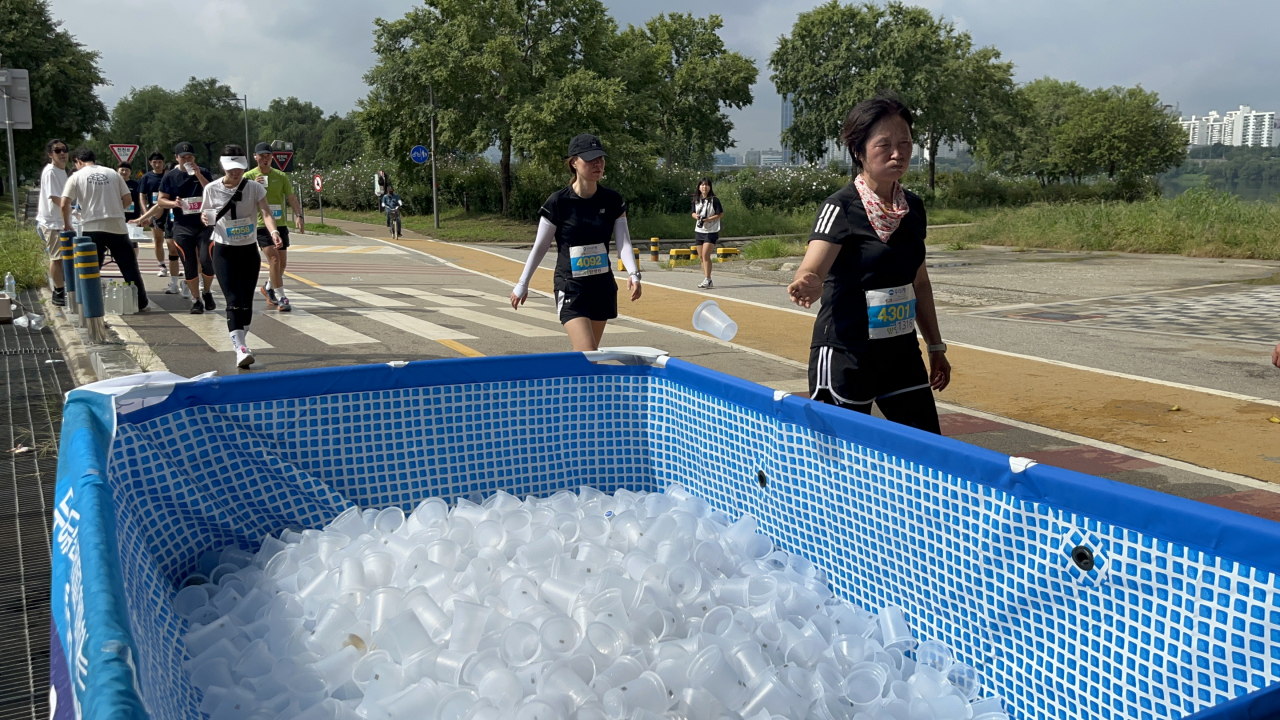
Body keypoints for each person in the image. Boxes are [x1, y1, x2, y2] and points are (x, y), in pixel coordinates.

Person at [787, 93, 950, 434]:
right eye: (884, 145)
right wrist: (809, 281)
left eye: (905, 142)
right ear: (859, 151)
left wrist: (935, 345)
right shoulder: (841, 207)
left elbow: (918, 282)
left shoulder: (913, 209)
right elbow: (812, 265)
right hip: (847, 353)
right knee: (839, 461)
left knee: (927, 448)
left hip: (900, 352)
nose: (897, 153)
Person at [510, 133, 641, 351]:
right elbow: (540, 248)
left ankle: (571, 384)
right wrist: (523, 284)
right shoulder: (558, 202)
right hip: (571, 287)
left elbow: (624, 243)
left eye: (601, 158)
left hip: (601, 286)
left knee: (587, 357)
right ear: (574, 162)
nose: (598, 163)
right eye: (590, 159)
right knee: (587, 351)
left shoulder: (612, 201)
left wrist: (633, 274)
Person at [200, 144, 284, 369]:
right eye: (230, 169)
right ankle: (240, 347)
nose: (235, 173)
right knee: (234, 300)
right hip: (224, 250)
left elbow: (266, 212)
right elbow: (205, 213)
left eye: (238, 169)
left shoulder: (254, 188)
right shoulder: (211, 189)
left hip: (248, 250)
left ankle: (242, 339)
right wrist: (206, 219)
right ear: (223, 167)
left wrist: (273, 231)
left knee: (246, 302)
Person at [59, 147, 149, 310]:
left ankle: (89, 302)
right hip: (117, 226)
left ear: (78, 162)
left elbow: (64, 203)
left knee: (91, 267)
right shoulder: (113, 174)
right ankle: (140, 302)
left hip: (91, 226)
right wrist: (114, 209)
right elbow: (128, 199)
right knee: (129, 266)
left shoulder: (76, 176)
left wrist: (67, 224)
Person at [157, 142, 216, 313]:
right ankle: (196, 299)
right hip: (183, 226)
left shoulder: (203, 172)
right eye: (183, 157)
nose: (187, 159)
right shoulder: (170, 177)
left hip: (204, 224)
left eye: (190, 156)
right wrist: (173, 203)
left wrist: (198, 175)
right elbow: (161, 200)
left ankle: (207, 291)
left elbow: (212, 192)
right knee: (189, 263)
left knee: (206, 260)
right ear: (177, 158)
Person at [245, 142, 304, 313]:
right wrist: (253, 187)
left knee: (282, 264)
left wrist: (299, 216)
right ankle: (282, 297)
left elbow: (291, 198)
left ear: (272, 157)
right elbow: (242, 199)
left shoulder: (280, 176)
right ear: (255, 157)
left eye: (268, 156)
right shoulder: (248, 177)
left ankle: (268, 287)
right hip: (261, 225)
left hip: (280, 224)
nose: (265, 159)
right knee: (274, 260)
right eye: (261, 156)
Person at [136, 152, 183, 291]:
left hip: (174, 214)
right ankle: (162, 265)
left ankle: (185, 274)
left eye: (160, 162)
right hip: (156, 212)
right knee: (158, 239)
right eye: (154, 162)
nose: (157, 164)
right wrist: (144, 215)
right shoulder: (147, 177)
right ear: (150, 163)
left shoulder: (171, 176)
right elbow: (143, 197)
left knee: (177, 245)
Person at [35, 139, 70, 306]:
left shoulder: (62, 171)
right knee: (56, 257)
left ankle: (64, 287)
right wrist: (72, 211)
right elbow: (56, 198)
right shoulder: (50, 172)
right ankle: (58, 292)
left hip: (60, 221)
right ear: (50, 154)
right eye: (57, 151)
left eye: (64, 150)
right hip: (51, 223)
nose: (62, 153)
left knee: (63, 258)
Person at [691, 177, 724, 289]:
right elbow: (693, 213)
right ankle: (706, 278)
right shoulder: (696, 199)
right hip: (699, 230)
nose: (704, 187)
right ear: (699, 187)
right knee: (701, 256)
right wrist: (697, 217)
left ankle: (708, 279)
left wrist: (708, 219)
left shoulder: (714, 200)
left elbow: (720, 214)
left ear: (710, 187)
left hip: (711, 230)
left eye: (706, 185)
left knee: (706, 255)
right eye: (702, 185)